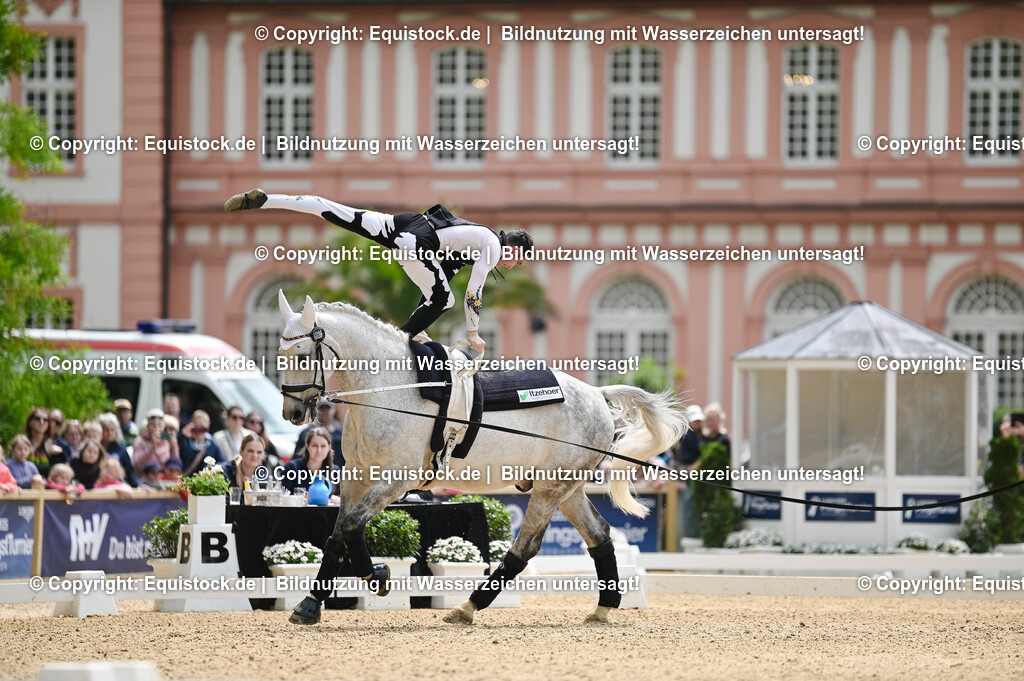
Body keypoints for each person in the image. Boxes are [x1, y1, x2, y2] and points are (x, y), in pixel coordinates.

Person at [224, 189, 533, 353]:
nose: (511, 265)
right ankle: (397, 344)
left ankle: (268, 200)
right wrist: (473, 334)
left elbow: (439, 280)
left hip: (406, 224)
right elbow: (473, 293)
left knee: (337, 212)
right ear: (515, 249)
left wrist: (421, 322)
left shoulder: (475, 239)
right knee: (446, 300)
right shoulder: (492, 246)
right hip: (417, 243)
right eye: (517, 261)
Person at [279, 427, 340, 500]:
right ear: (307, 446)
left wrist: (336, 499)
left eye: (323, 446)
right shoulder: (292, 468)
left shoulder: (335, 471)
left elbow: (345, 498)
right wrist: (299, 498)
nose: (319, 450)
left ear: (329, 447)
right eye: (315, 445)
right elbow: (280, 496)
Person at [295, 399, 344, 465]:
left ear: (334, 410)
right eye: (321, 408)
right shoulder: (305, 434)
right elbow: (296, 460)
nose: (324, 411)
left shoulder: (342, 434)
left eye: (327, 408)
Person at [97, 413, 139, 488]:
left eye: (112, 430)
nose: (109, 433)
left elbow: (130, 473)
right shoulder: (95, 449)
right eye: (106, 430)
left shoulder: (121, 450)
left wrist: (138, 486)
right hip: (97, 487)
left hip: (117, 487)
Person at [178, 410, 224, 476]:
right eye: (197, 424)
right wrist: (182, 436)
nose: (199, 427)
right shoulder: (185, 441)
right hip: (186, 478)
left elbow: (222, 462)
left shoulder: (212, 444)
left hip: (205, 480)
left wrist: (211, 470)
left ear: (208, 425)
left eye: (202, 426)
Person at [24, 407, 65, 478]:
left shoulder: (51, 446)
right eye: (38, 418)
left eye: (45, 420)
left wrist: (59, 455)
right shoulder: (22, 443)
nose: (42, 422)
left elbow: (59, 472)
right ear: (30, 422)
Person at [132, 409, 171, 478]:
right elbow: (139, 466)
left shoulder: (167, 441)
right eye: (153, 425)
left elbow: (171, 467)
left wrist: (174, 447)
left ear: (164, 426)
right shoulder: (140, 441)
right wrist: (153, 446)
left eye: (159, 425)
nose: (157, 428)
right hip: (144, 479)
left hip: (162, 480)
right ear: (147, 426)